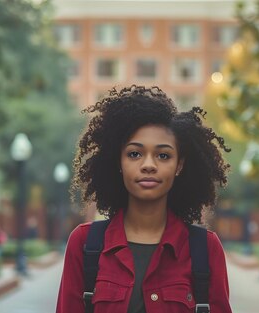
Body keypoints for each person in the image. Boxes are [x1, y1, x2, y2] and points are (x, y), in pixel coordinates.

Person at [56, 85, 232, 313]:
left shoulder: (206, 249)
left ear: (179, 165)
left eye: (163, 155)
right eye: (135, 154)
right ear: (119, 161)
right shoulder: (84, 244)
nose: (149, 165)